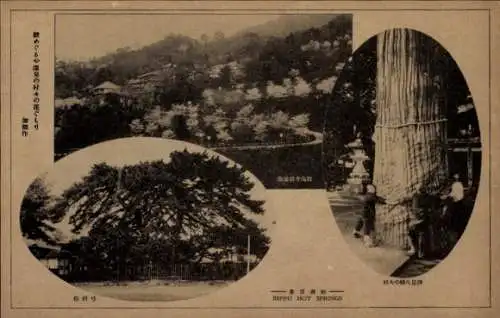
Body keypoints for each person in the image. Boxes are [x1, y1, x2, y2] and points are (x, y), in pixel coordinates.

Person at [353, 183, 380, 248]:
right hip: (368, 215)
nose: (375, 189)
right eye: (373, 188)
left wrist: (357, 193)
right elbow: (378, 199)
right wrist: (388, 201)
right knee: (367, 228)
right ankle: (368, 243)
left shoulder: (366, 196)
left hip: (363, 213)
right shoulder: (371, 196)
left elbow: (360, 196)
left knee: (362, 223)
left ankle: (355, 232)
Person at [407, 187, 431, 257]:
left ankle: (415, 249)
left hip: (420, 219)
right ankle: (419, 251)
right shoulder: (425, 197)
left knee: (413, 232)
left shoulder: (416, 196)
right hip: (420, 219)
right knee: (418, 234)